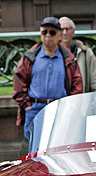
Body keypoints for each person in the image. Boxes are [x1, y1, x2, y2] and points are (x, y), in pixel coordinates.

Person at [12, 16, 82, 154]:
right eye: (44, 32)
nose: (48, 36)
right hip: (34, 108)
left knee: (58, 148)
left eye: (52, 32)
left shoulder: (68, 59)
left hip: (59, 109)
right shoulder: (30, 57)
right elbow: (19, 83)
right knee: (30, 149)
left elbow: (77, 85)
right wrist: (27, 106)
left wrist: (68, 105)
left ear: (59, 35)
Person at [59, 17, 96, 93]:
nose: (64, 33)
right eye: (61, 30)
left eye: (67, 29)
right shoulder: (52, 54)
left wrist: (95, 104)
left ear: (73, 31)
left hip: (81, 101)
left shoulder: (86, 53)